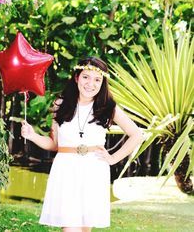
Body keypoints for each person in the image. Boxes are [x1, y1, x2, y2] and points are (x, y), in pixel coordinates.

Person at [21, 56, 143, 232]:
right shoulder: (60, 105)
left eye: (97, 79)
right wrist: (33, 136)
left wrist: (113, 158)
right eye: (86, 77)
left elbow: (136, 135)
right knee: (71, 228)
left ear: (102, 83)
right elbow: (54, 144)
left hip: (94, 171)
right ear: (77, 77)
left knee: (85, 229)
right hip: (66, 170)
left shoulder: (108, 107)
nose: (90, 84)